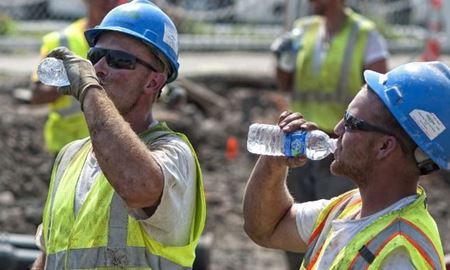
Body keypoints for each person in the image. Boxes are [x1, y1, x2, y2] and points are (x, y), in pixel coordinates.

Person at [31, 0, 206, 269]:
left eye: (118, 60)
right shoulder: (69, 156)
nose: (99, 68)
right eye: (96, 56)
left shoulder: (174, 153)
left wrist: (90, 89)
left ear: (154, 81)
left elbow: (138, 188)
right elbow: (47, 256)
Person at [243, 61, 449, 269]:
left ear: (384, 146)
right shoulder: (351, 207)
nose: (337, 128)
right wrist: (274, 160)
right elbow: (267, 228)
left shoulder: (400, 255)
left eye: (350, 122)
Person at [270, 0, 389, 267]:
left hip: (340, 147)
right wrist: (284, 59)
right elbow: (284, 83)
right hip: (299, 143)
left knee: (335, 225)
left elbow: (382, 98)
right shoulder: (303, 30)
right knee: (291, 220)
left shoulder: (365, 35)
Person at [30, 0, 126, 155]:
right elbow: (37, 94)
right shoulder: (61, 40)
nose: (108, 1)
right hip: (67, 148)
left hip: (114, 145)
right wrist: (73, 79)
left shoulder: (130, 44)